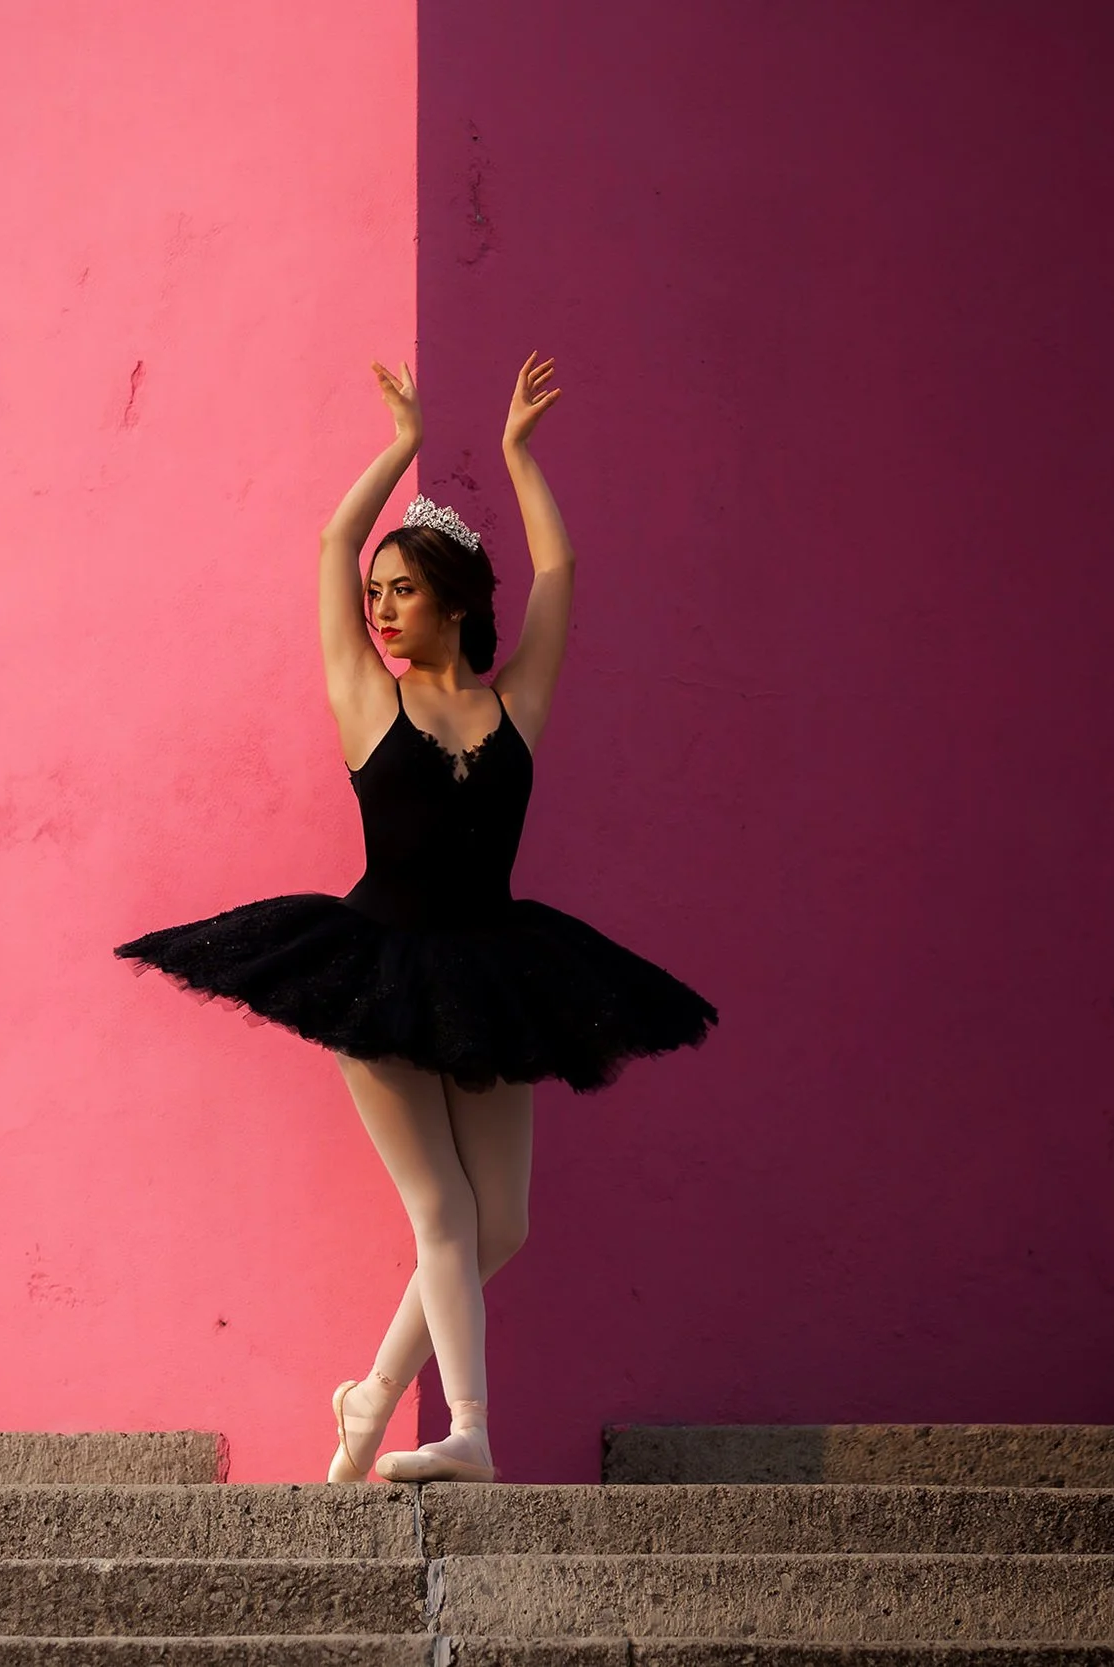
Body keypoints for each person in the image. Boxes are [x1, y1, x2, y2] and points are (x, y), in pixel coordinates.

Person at [115, 353, 718, 1483]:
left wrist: (516, 456)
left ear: (452, 600)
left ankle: (368, 1400)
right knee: (442, 1207)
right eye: (377, 594)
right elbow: (331, 549)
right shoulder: (363, 694)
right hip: (376, 967)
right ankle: (471, 1433)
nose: (379, 608)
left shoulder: (513, 700)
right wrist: (396, 449)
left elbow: (563, 565)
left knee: (505, 1224)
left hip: (495, 968)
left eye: (402, 591)